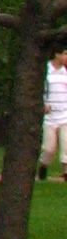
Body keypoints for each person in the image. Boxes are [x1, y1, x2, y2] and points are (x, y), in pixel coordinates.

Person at [42, 42, 67, 181]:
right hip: (50, 117)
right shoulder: (46, 70)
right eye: (65, 54)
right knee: (49, 148)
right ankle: (43, 166)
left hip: (65, 115)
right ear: (57, 54)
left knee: (66, 146)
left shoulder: (66, 72)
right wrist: (43, 104)